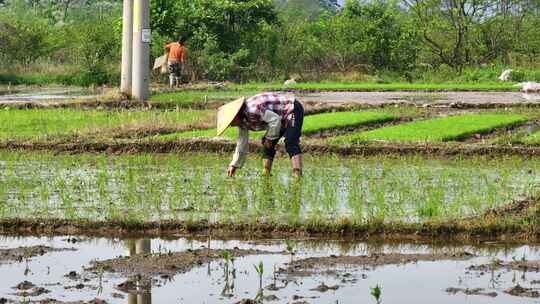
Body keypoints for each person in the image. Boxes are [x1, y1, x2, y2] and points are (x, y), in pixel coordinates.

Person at [216, 92, 304, 178]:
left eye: (231, 122)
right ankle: (266, 173)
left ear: (235, 116)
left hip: (291, 109)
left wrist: (269, 138)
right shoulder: (242, 122)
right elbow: (242, 143)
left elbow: (275, 120)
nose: (231, 125)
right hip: (278, 117)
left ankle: (297, 174)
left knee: (290, 141)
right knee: (267, 143)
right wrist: (234, 164)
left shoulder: (253, 110)